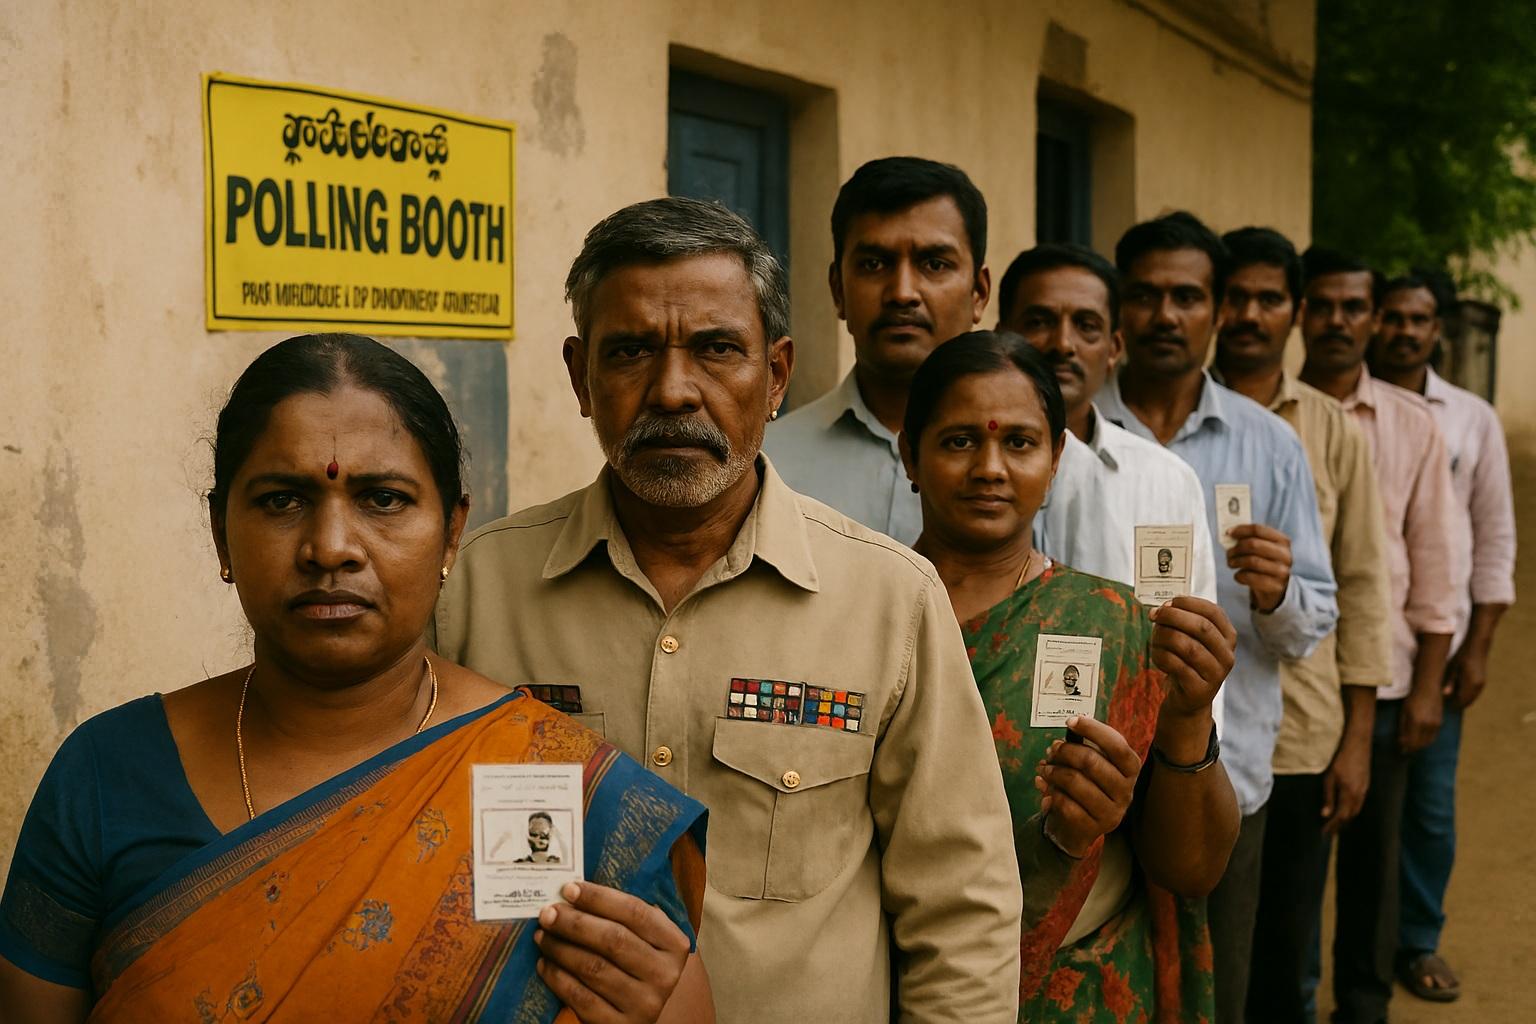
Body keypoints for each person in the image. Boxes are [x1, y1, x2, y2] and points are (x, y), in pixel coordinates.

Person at [0, 334, 711, 1023]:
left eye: (383, 499)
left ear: (452, 531)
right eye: (282, 500)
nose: (331, 547)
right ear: (221, 532)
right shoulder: (105, 778)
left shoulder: (557, 781)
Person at [434, 198, 1025, 1023]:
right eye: (632, 351)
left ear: (776, 374)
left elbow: (962, 910)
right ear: (580, 377)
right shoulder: (474, 592)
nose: (674, 391)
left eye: (717, 350)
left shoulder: (889, 600)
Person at [899, 330, 1240, 1021]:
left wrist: (1186, 718)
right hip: (900, 983)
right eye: (960, 441)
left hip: (1080, 990)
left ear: (1056, 459)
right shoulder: (865, 614)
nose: (990, 467)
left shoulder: (1114, 621)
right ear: (910, 454)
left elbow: (1193, 869)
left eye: (1020, 444)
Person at [1094, 212, 1338, 1024]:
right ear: (1121, 308)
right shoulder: (1065, 434)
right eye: (1147, 295)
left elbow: (1312, 623)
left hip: (1223, 781)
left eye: (1187, 297)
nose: (1166, 315)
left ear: (1216, 310)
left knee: (1213, 996)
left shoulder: (1269, 446)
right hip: (1085, 777)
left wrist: (1275, 593)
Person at [1213, 227, 1393, 1022]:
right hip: (1182, 731)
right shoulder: (1162, 420)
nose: (1251, 313)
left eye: (1270, 299)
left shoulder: (1330, 430)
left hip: (1298, 736)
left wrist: (1357, 740)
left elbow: (1361, 583)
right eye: (1237, 296)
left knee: (1282, 955)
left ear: (1293, 312)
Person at [1298, 249, 1462, 1024]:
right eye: (1322, 304)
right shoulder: (1264, 415)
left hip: (1386, 682)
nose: (1338, 321)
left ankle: (1362, 1007)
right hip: (1290, 684)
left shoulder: (1413, 427)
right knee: (1293, 874)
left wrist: (1430, 682)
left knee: (1373, 868)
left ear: (1371, 317)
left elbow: (1435, 563)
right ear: (1302, 310)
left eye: (1353, 307)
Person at [1370, 273, 1516, 1003]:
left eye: (1418, 319)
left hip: (1433, 649)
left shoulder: (1471, 419)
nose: (1403, 330)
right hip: (1349, 651)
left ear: (1438, 332)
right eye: (1391, 317)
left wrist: (1477, 647)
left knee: (1427, 811)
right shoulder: (1341, 405)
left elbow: (1494, 538)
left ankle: (1417, 940)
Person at [765, 156, 991, 544]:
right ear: (838, 290)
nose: (902, 292)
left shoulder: (1040, 469)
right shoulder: (767, 467)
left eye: (934, 264)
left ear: (979, 293)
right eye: (874, 264)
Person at [995, 243, 1217, 604]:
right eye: (1039, 322)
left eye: (1086, 326)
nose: (1063, 344)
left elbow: (1191, 628)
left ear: (1114, 348)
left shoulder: (1167, 480)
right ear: (1003, 334)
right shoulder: (968, 465)